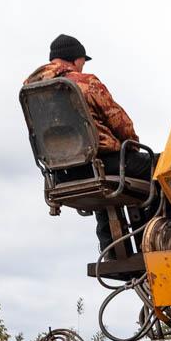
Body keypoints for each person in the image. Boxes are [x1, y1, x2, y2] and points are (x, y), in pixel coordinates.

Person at [24, 34, 140, 257]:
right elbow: (121, 123)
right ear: (75, 60)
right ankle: (155, 244)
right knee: (158, 170)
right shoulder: (85, 82)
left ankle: (113, 255)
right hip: (101, 162)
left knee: (101, 181)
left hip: (62, 172)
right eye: (82, 61)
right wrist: (133, 147)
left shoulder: (32, 89)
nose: (83, 65)